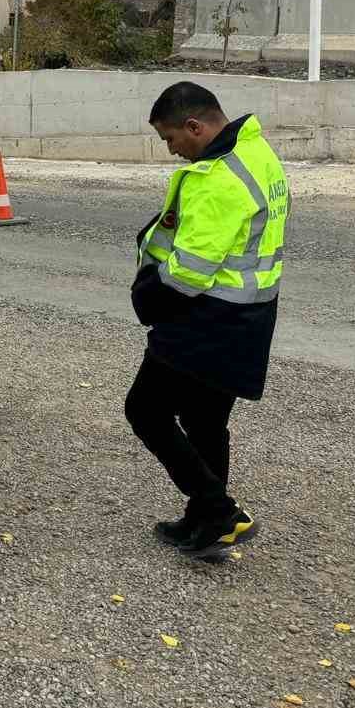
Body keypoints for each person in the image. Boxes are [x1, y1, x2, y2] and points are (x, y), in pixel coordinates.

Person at [129, 81, 288, 560]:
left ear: (194, 126)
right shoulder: (256, 152)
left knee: (146, 411)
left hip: (206, 318)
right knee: (205, 420)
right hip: (249, 315)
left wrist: (148, 295)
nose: (172, 150)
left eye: (171, 139)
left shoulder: (219, 180)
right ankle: (205, 521)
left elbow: (190, 273)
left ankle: (219, 509)